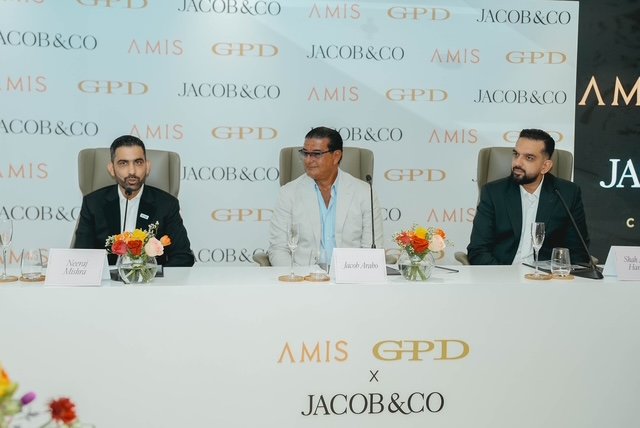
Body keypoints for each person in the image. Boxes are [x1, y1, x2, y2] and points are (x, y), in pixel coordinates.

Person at [467, 128, 590, 265]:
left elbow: (578, 252)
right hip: (502, 272)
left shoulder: (566, 193)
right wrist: (504, 275)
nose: (517, 163)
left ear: (545, 166)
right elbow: (478, 250)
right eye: (516, 154)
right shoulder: (493, 193)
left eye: (529, 158)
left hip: (546, 276)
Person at [268, 126, 384, 266]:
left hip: (350, 275)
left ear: (336, 156)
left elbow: (372, 250)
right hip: (303, 275)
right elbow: (278, 249)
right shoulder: (288, 193)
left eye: (316, 154)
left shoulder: (364, 192)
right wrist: (297, 277)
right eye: (305, 153)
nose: (308, 160)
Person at [73, 135, 195, 266]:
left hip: (151, 278)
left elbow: (183, 257)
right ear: (112, 169)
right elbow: (82, 256)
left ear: (147, 167)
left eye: (138, 162)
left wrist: (152, 275)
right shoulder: (93, 203)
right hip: (108, 278)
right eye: (123, 163)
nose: (132, 171)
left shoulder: (166, 204)